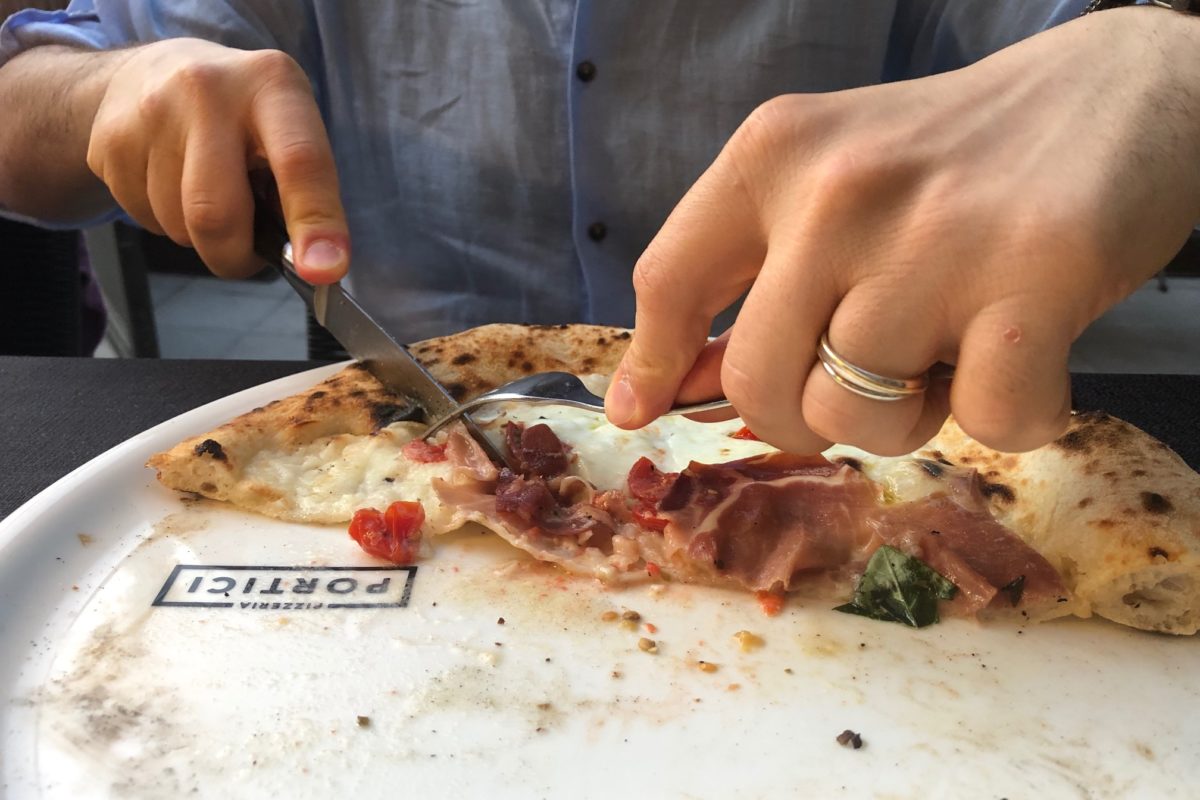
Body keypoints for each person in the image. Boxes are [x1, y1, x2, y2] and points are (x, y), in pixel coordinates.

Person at [1, 1, 1197, 458]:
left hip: (844, 427)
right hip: (401, 417)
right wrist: (112, 88)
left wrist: (1164, 62)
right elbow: (22, 105)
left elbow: (1089, 94)